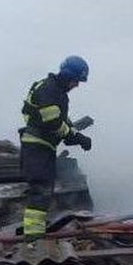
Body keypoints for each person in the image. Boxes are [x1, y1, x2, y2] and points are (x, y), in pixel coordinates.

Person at [18, 55, 92, 241]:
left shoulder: (52, 89)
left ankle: (35, 235)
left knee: (43, 191)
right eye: (76, 80)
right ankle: (33, 240)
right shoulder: (51, 90)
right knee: (40, 192)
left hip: (41, 147)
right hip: (37, 148)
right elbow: (53, 123)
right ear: (68, 76)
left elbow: (61, 121)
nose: (77, 85)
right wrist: (75, 137)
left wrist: (75, 135)